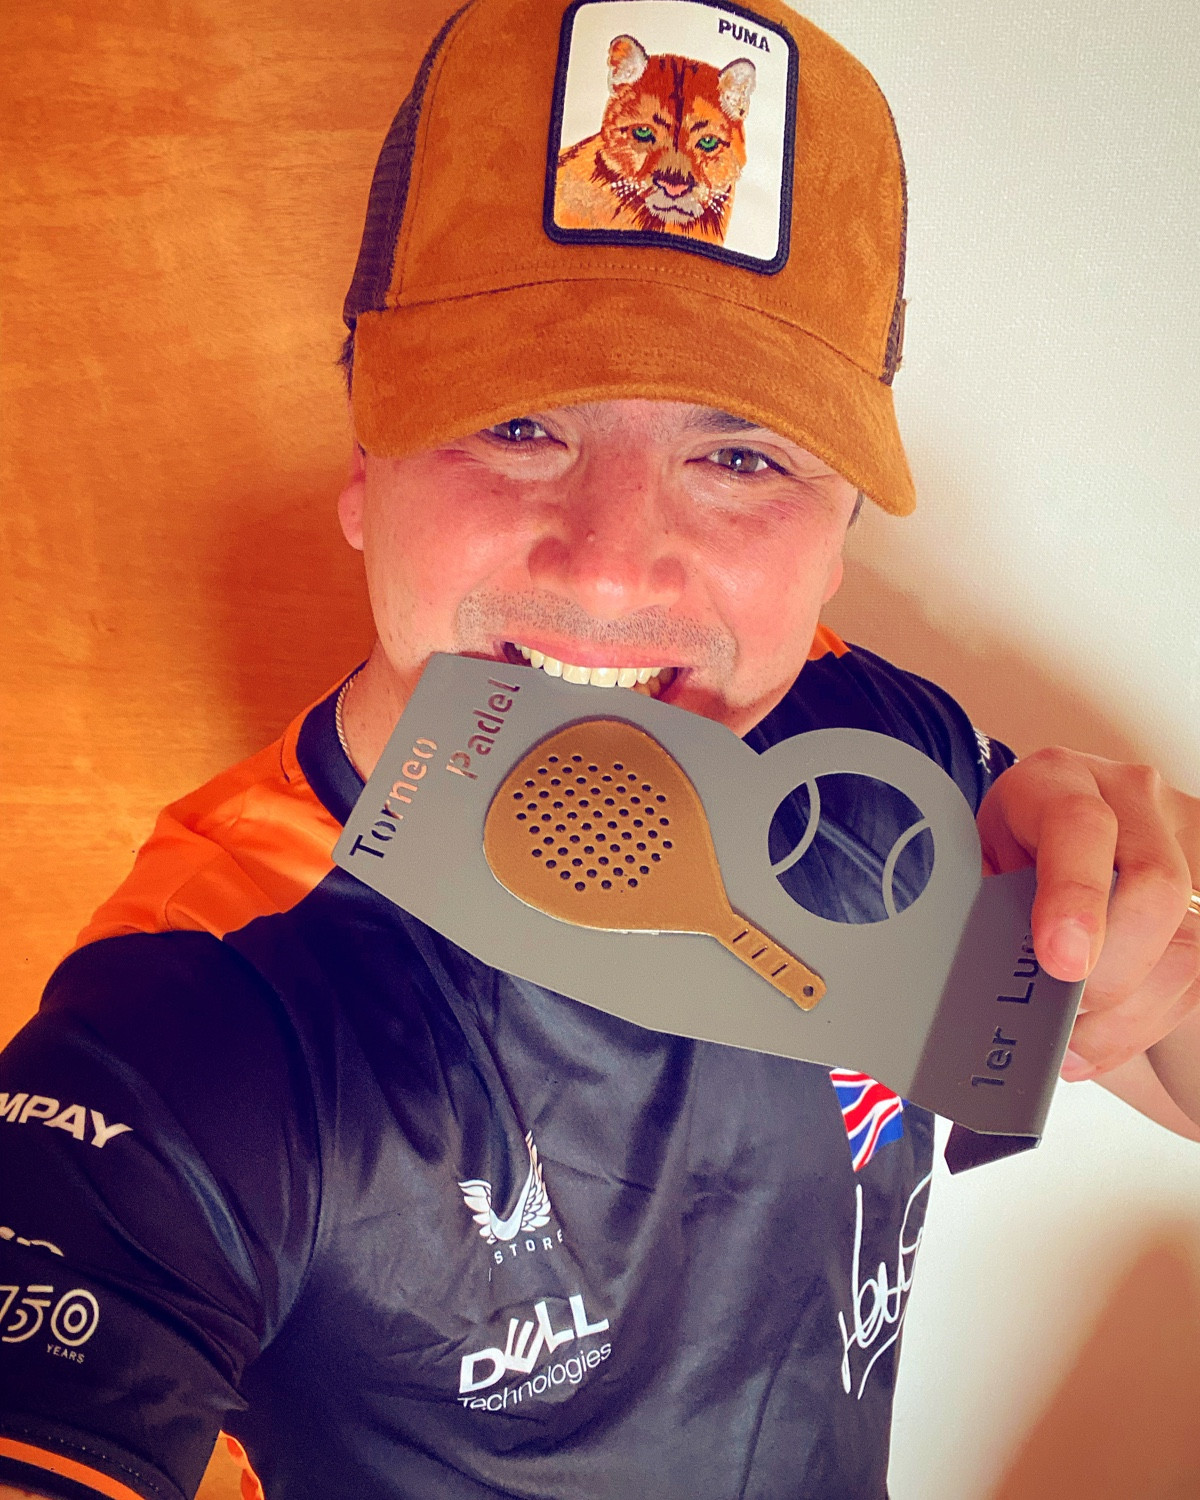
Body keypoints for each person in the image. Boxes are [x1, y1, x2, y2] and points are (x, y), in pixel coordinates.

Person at [1, 1, 1197, 1497]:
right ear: (365, 459)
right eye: (517, 424)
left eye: (741, 455)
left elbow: (1165, 1062)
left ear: (839, 538)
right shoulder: (209, 1003)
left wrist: (1163, 939)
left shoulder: (876, 754)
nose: (614, 565)